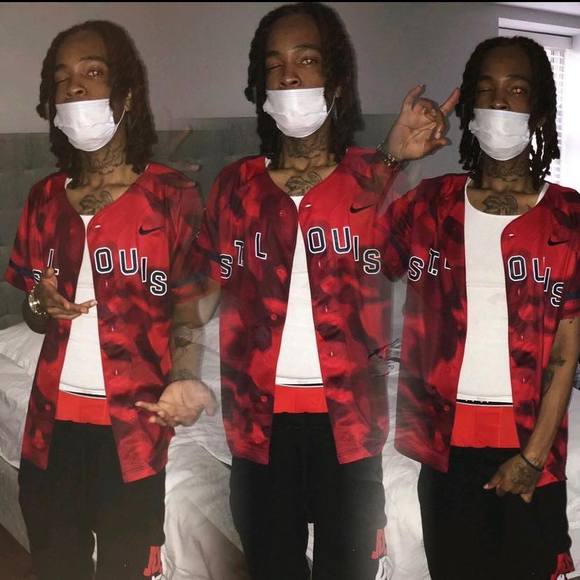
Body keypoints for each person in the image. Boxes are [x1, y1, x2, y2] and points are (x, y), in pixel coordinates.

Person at [141, 3, 455, 579]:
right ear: (259, 85)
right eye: (274, 65)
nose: (288, 76)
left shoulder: (376, 178)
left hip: (351, 428)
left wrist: (393, 159)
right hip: (257, 429)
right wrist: (183, 371)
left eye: (306, 60)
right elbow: (197, 299)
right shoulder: (235, 187)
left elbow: (424, 270)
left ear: (335, 79)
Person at [5, 20, 215, 580]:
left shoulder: (173, 196)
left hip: (133, 434)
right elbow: (31, 312)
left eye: (92, 72)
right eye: (61, 78)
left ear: (126, 94)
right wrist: (40, 304)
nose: (73, 87)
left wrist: (184, 377)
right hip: (49, 435)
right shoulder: (43, 199)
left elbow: (191, 308)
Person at [380, 35, 580, 579]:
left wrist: (534, 458)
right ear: (469, 109)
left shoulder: (568, 218)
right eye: (486, 90)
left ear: (539, 110)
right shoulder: (430, 205)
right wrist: (392, 158)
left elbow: (566, 354)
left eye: (516, 90)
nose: (499, 102)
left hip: (528, 443)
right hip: (444, 447)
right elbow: (353, 251)